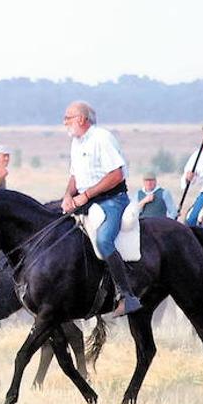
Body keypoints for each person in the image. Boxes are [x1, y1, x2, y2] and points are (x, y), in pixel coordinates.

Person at [61, 101, 141, 317]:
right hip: (85, 200)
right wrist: (68, 195)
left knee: (104, 240)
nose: (64, 121)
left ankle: (127, 296)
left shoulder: (102, 138)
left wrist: (85, 195)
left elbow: (116, 175)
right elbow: (75, 176)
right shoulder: (76, 143)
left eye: (68, 117)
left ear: (81, 119)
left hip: (112, 200)